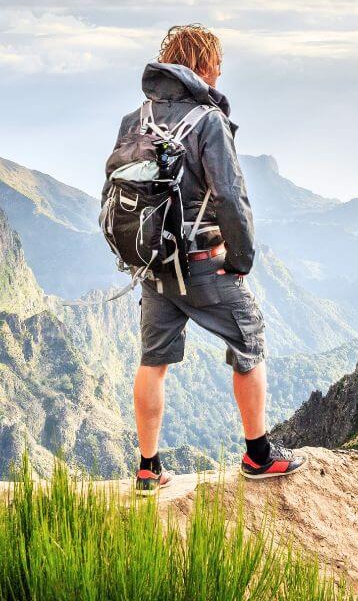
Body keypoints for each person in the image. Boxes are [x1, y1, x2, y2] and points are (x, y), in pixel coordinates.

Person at [101, 24, 306, 493]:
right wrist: (241, 258)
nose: (219, 74)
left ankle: (148, 469)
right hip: (202, 262)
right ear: (202, 65)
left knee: (152, 360)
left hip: (153, 264)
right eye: (217, 65)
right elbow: (232, 198)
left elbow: (115, 190)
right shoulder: (208, 120)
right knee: (248, 339)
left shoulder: (135, 119)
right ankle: (258, 456)